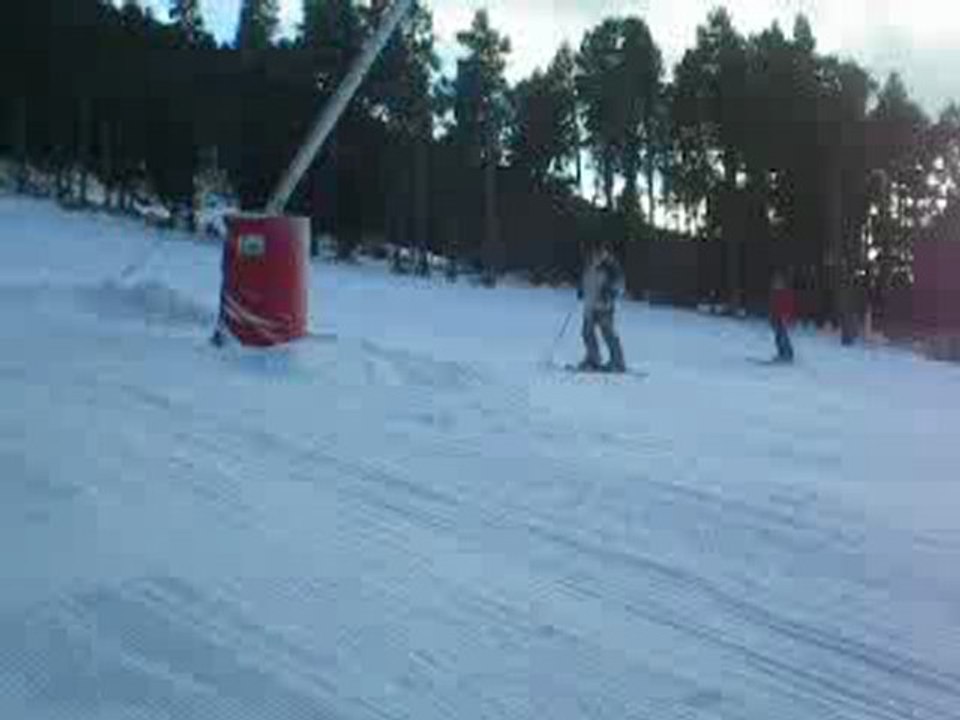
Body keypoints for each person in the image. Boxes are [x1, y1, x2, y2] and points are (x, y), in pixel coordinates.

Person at [579, 240, 626, 372]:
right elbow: (588, 279)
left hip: (604, 306)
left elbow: (620, 282)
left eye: (593, 250)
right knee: (586, 332)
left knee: (608, 333)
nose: (590, 253)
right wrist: (582, 289)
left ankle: (617, 362)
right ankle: (593, 359)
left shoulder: (609, 264)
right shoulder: (589, 262)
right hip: (590, 304)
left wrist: (610, 291)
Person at [770, 271, 796, 363]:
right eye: (775, 283)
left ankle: (788, 354)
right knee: (778, 338)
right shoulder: (774, 293)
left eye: (779, 283)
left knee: (783, 337)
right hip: (775, 318)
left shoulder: (786, 293)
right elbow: (773, 307)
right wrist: (772, 319)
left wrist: (786, 316)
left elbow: (789, 306)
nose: (777, 285)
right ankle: (781, 353)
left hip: (783, 318)